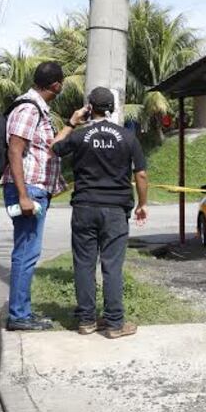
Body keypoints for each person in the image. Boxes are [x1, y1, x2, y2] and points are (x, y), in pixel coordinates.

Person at [52, 87, 149, 339]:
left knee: (84, 265)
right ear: (113, 108)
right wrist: (142, 204)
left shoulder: (81, 135)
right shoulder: (127, 137)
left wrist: (71, 123)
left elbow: (55, 146)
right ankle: (115, 324)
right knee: (112, 267)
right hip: (116, 210)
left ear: (89, 107)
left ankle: (86, 321)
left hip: (84, 207)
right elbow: (141, 173)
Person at [3, 61, 66, 332]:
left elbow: (48, 147)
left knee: (29, 252)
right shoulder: (29, 108)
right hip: (29, 189)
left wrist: (72, 124)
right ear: (56, 85)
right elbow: (14, 151)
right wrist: (23, 196)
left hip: (36, 188)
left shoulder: (38, 109)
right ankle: (19, 316)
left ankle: (23, 312)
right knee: (26, 253)